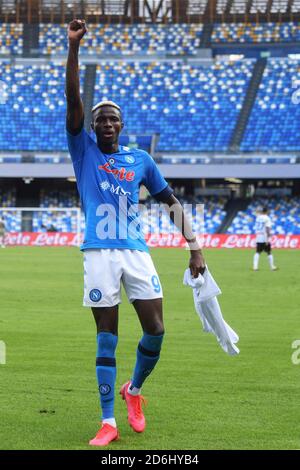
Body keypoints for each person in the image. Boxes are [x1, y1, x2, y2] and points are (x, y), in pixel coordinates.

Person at [65, 19, 205, 447]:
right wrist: (74, 48)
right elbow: (73, 98)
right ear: (92, 126)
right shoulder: (82, 149)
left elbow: (170, 202)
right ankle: (108, 421)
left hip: (136, 252)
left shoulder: (141, 159)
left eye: (112, 120)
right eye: (99, 119)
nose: (105, 124)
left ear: (121, 126)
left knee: (156, 329)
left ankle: (135, 391)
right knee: (107, 337)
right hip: (98, 255)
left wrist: (195, 247)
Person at [253, 206, 277, 271]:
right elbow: (267, 228)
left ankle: (255, 267)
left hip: (258, 236)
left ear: (262, 211)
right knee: (269, 252)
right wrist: (268, 236)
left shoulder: (258, 218)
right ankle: (272, 267)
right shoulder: (267, 218)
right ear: (267, 211)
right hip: (264, 236)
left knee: (257, 252)